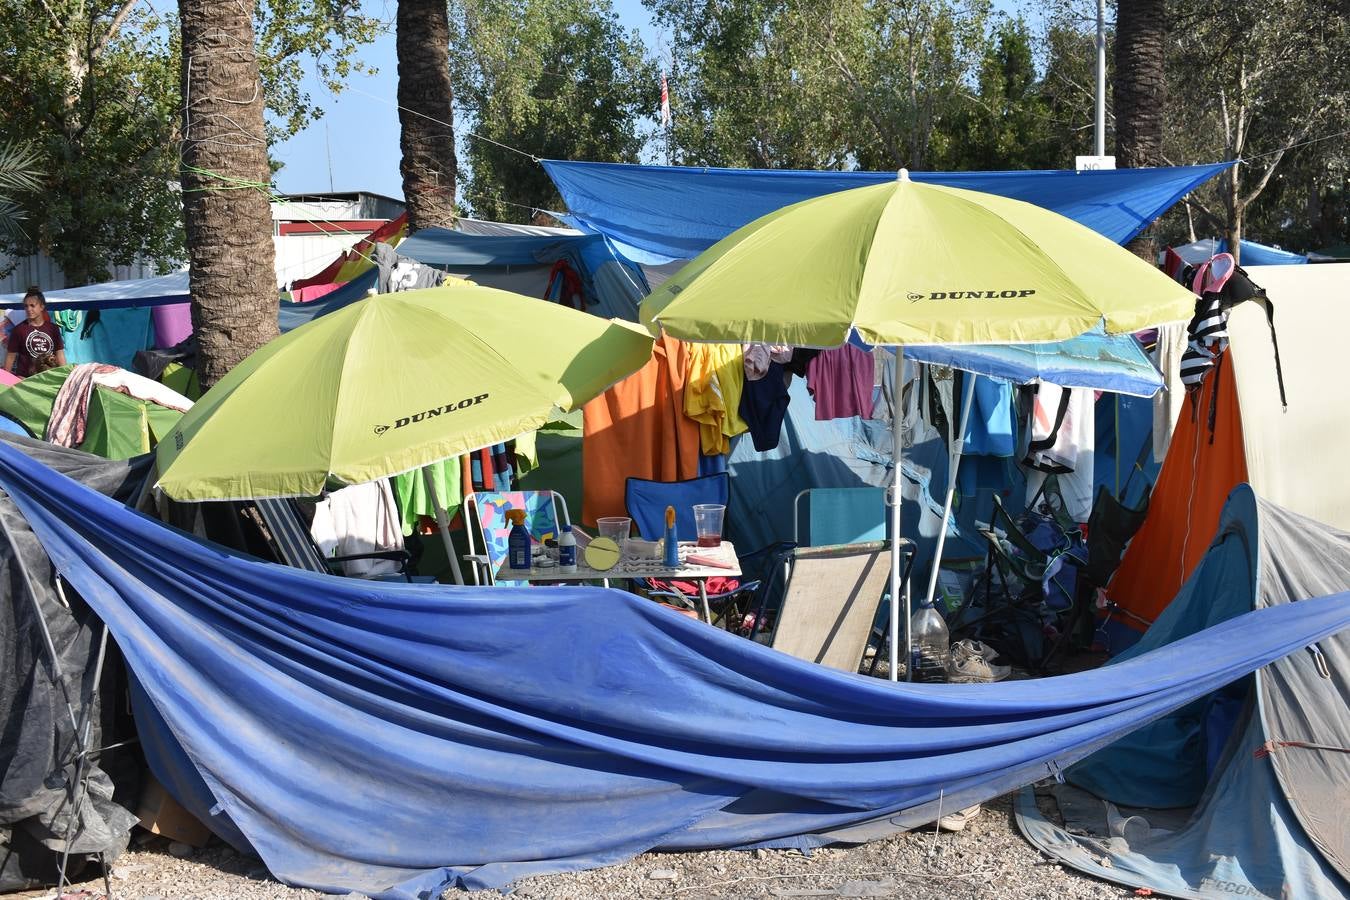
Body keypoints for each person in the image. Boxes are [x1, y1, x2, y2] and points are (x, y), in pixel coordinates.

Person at [5, 288, 66, 377]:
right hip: (25, 380)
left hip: (49, 378)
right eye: (26, 306)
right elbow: (10, 357)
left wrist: (65, 375)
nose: (29, 309)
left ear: (42, 306)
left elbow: (59, 353)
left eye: (32, 305)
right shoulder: (18, 330)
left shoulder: (53, 328)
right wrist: (6, 380)